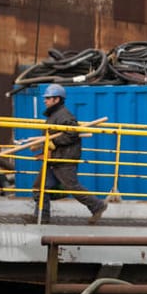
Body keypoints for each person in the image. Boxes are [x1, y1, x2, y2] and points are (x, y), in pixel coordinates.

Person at [38, 83, 107, 222]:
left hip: (64, 158)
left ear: (56, 99)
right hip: (55, 158)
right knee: (40, 188)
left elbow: (72, 134)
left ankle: (97, 206)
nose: (45, 100)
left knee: (72, 186)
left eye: (48, 98)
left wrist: (54, 143)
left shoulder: (64, 115)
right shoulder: (54, 115)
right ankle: (41, 218)